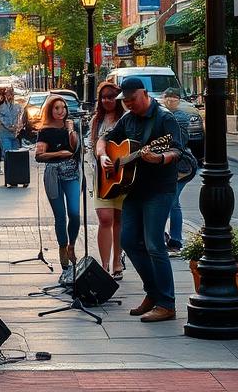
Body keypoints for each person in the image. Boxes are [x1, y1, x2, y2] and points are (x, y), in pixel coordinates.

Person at [95, 77, 182, 323]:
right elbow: (105, 139)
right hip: (132, 188)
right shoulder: (128, 118)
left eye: (132, 100)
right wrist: (103, 157)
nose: (129, 104)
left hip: (159, 189)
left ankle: (167, 303)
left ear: (144, 94)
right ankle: (153, 293)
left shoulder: (164, 118)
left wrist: (160, 158)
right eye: (126, 100)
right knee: (129, 241)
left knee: (154, 244)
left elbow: (178, 150)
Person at [34, 95, 80, 277]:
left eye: (63, 108)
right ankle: (62, 248)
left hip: (71, 173)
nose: (61, 111)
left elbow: (76, 148)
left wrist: (71, 131)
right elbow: (39, 156)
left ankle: (72, 246)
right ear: (50, 111)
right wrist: (58, 154)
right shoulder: (45, 131)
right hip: (53, 174)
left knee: (75, 213)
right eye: (57, 108)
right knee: (60, 216)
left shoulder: (71, 128)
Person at [90, 81, 124, 279]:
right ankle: (103, 266)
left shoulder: (126, 118)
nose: (107, 100)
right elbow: (94, 144)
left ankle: (116, 260)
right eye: (103, 97)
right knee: (105, 218)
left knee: (119, 219)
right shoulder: (97, 120)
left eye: (111, 96)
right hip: (102, 175)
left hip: (122, 175)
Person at [161, 87, 195, 254]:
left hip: (180, 166)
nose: (171, 100)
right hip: (171, 165)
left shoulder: (180, 117)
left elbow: (178, 141)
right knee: (172, 203)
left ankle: (174, 240)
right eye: (168, 97)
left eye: (174, 98)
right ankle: (171, 238)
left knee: (172, 202)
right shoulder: (163, 115)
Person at [0, 86, 23, 156]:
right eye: (8, 94)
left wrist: (19, 126)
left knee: (16, 154)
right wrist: (10, 127)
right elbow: (0, 119)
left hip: (15, 134)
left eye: (12, 94)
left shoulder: (17, 106)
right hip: (4, 133)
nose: (10, 96)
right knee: (8, 153)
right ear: (5, 95)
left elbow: (20, 117)